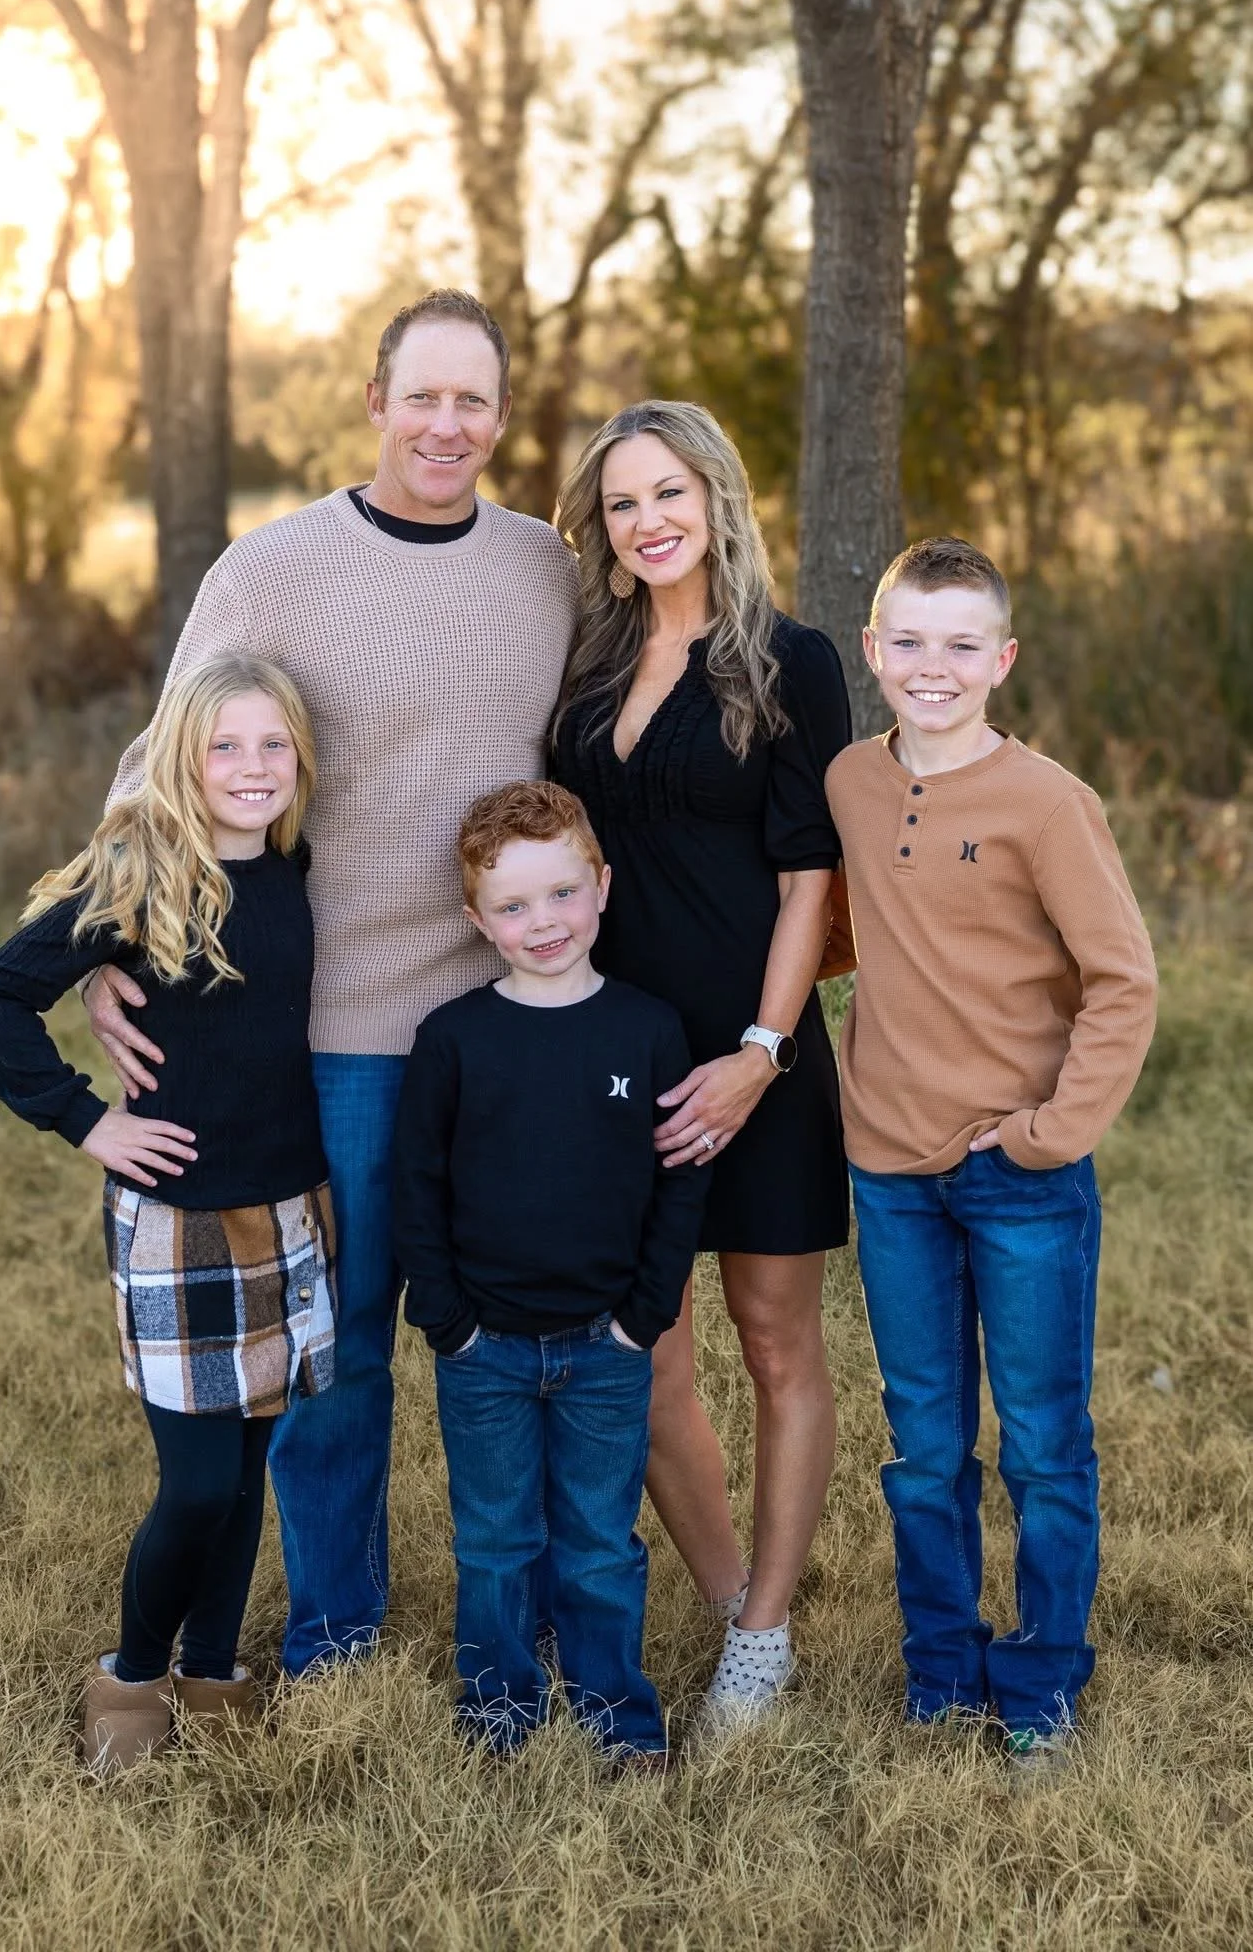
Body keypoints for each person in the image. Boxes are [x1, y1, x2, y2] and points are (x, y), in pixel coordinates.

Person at [79, 291, 579, 1675]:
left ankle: (529, 1609)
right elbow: (161, 771)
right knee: (343, 1351)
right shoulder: (272, 569)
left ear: (499, 414)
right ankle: (339, 1623)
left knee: (519, 1341)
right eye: (421, 395)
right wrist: (105, 953)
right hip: (343, 1033)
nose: (446, 424)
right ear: (372, 401)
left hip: (511, 1026)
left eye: (473, 400)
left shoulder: (544, 569)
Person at [0, 656, 336, 1773]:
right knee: (197, 1481)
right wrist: (87, 1121)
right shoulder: (140, 871)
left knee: (253, 1463)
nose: (252, 767)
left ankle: (214, 1666)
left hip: (286, 1208)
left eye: (274, 744)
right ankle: (131, 1669)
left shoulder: (292, 864)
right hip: (176, 1219)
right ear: (180, 754)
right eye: (225, 745)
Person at [826, 535, 1158, 1781]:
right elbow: (849, 931)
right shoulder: (853, 780)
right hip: (889, 1170)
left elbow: (1122, 982)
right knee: (922, 1444)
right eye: (907, 640)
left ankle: (1040, 1680)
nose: (932, 665)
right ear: (871, 648)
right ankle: (940, 1669)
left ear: (1001, 660)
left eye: (961, 644)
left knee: (1040, 1443)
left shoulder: (1047, 803)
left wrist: (1046, 1132)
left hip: (1018, 1175)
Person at [552, 401, 852, 1733]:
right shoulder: (590, 665)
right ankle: (735, 1602)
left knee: (779, 1344)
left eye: (667, 492)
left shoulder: (789, 660)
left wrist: (761, 1053)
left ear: (718, 498)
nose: (647, 519)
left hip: (756, 1048)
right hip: (617, 1057)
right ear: (603, 530)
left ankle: (768, 1636)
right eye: (622, 503)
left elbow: (809, 881)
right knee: (646, 1354)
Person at [395, 781, 708, 1764]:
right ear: (476, 921)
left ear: (602, 886)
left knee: (600, 1544)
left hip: (606, 1345)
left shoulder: (647, 1030)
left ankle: (617, 1712)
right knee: (494, 1541)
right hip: (482, 1346)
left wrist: (644, 1314)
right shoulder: (453, 1039)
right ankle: (498, 1707)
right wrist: (447, 1319)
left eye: (562, 893)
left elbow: (677, 1185)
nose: (543, 922)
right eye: (514, 905)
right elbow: (418, 1188)